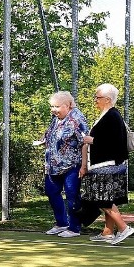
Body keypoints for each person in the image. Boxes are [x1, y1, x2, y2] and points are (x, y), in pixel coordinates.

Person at [80, 83, 134, 245]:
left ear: (108, 100)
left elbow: (115, 142)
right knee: (107, 198)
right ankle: (108, 232)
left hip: (107, 165)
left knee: (102, 199)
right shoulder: (108, 115)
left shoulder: (112, 116)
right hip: (105, 164)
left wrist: (92, 140)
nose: (94, 100)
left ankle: (124, 228)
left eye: (97, 97)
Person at [42, 91, 89, 238]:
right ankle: (61, 223)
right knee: (51, 191)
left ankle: (74, 227)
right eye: (52, 106)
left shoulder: (77, 119)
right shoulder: (56, 118)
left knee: (72, 195)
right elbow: (51, 134)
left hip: (72, 165)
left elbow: (84, 142)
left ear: (68, 105)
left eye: (57, 106)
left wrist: (83, 166)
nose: (53, 110)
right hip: (54, 165)